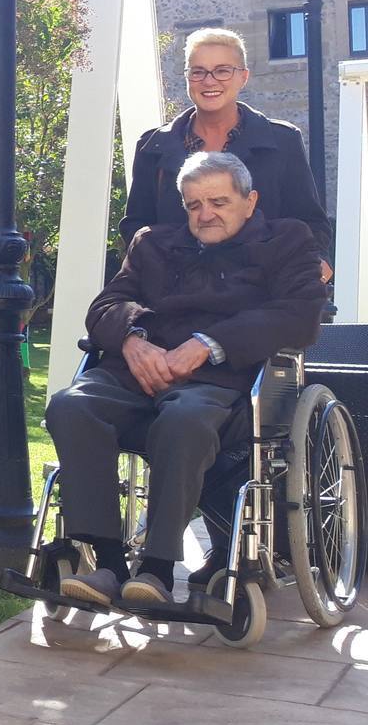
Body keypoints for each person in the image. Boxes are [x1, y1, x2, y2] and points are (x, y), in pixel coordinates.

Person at [49, 151, 325, 606]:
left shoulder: (287, 241)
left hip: (221, 381)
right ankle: (109, 564)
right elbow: (105, 307)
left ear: (250, 200)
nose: (205, 213)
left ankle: (156, 569)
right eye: (194, 204)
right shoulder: (152, 243)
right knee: (70, 404)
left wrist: (207, 344)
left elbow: (300, 317)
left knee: (184, 421)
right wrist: (134, 339)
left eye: (218, 202)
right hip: (136, 373)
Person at [121, 27, 333, 276]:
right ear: (187, 77)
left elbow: (310, 222)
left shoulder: (283, 141)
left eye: (222, 71)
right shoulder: (153, 146)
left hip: (262, 293)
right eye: (198, 72)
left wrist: (315, 265)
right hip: (178, 295)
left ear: (243, 76)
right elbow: (136, 225)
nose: (209, 81)